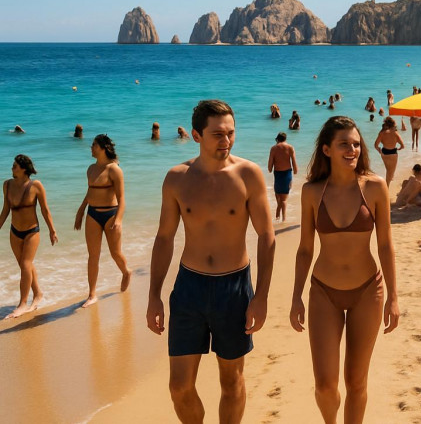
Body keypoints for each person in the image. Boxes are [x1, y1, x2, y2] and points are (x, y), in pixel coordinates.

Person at [146, 100, 275, 423]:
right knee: (179, 387)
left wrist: (261, 297)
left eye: (231, 133)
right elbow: (164, 238)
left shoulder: (248, 174)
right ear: (195, 135)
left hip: (234, 288)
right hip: (189, 287)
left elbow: (266, 236)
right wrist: (154, 296)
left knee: (231, 382)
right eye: (217, 134)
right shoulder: (177, 179)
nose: (226, 141)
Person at [289, 115, 400, 424]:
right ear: (327, 150)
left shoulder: (375, 187)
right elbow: (305, 249)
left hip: (368, 290)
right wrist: (296, 296)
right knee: (325, 386)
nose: (351, 149)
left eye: (355, 144)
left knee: (356, 382)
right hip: (324, 292)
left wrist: (393, 296)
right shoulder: (312, 192)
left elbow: (386, 245)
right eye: (343, 145)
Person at [75, 134, 132, 307]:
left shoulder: (114, 169)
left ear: (102, 148)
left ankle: (126, 272)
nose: (91, 147)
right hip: (93, 214)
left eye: (93, 145)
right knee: (93, 255)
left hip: (111, 215)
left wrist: (119, 219)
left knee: (115, 253)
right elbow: (90, 192)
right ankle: (92, 294)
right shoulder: (91, 169)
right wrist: (81, 211)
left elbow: (122, 198)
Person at [0, 155, 57, 319]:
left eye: (15, 166)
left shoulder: (36, 186)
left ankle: (22, 304)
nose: (12, 168)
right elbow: (5, 210)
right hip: (15, 231)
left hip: (32, 231)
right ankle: (38, 293)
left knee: (26, 264)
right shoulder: (7, 185)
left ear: (23, 169)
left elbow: (45, 210)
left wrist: (52, 230)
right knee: (25, 266)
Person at [268, 132, 299, 222]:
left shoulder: (273, 148)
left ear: (277, 139)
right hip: (287, 174)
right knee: (284, 199)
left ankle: (277, 217)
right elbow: (293, 160)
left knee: (278, 197)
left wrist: (270, 169)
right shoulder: (290, 147)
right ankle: (284, 219)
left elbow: (270, 163)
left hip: (277, 174)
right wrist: (295, 170)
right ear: (285, 139)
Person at [374, 117, 405, 186]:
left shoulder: (382, 133)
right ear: (393, 125)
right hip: (393, 153)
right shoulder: (395, 133)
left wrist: (379, 150)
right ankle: (387, 186)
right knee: (391, 171)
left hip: (384, 152)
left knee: (388, 170)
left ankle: (388, 181)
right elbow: (402, 145)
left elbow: (376, 145)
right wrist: (399, 148)